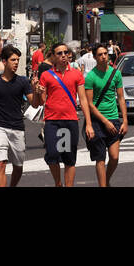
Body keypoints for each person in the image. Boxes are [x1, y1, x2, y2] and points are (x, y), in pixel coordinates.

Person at [0, 45, 41, 187]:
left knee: (18, 166)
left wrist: (35, 90)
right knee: (0, 164)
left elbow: (35, 104)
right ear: (4, 61)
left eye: (18, 60)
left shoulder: (23, 82)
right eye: (13, 60)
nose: (16, 63)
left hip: (17, 128)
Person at [38, 43, 88, 187]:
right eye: (59, 53)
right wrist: (39, 91)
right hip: (52, 121)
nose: (64, 55)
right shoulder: (46, 75)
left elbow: (83, 99)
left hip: (70, 120)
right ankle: (58, 183)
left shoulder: (76, 74)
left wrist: (89, 123)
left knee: (69, 158)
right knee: (52, 155)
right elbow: (42, 101)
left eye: (66, 52)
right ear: (53, 56)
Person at [84, 43, 127, 187]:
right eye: (100, 55)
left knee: (114, 157)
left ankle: (106, 180)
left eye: (105, 54)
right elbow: (89, 104)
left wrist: (125, 121)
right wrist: (104, 121)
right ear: (95, 57)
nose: (103, 57)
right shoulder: (90, 77)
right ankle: (102, 185)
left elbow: (121, 98)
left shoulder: (116, 74)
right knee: (100, 158)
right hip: (98, 121)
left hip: (114, 118)